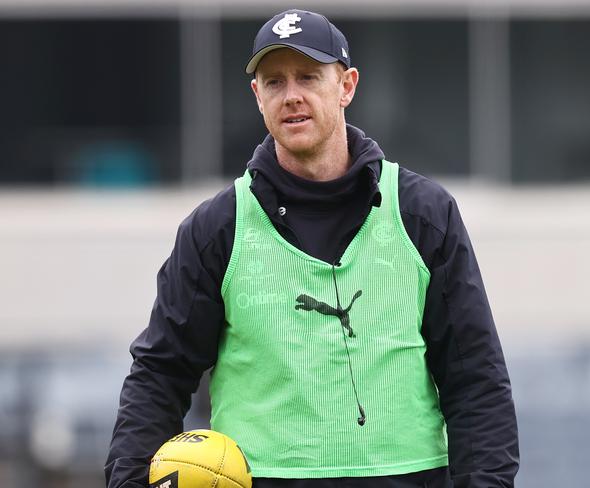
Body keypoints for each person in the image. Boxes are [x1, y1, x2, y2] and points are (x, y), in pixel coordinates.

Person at [105, 9, 519, 488]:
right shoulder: (215, 228)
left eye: (308, 76)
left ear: (346, 86)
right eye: (275, 81)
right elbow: (160, 374)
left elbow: (475, 379)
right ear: (257, 96)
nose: (292, 95)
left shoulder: (424, 214)